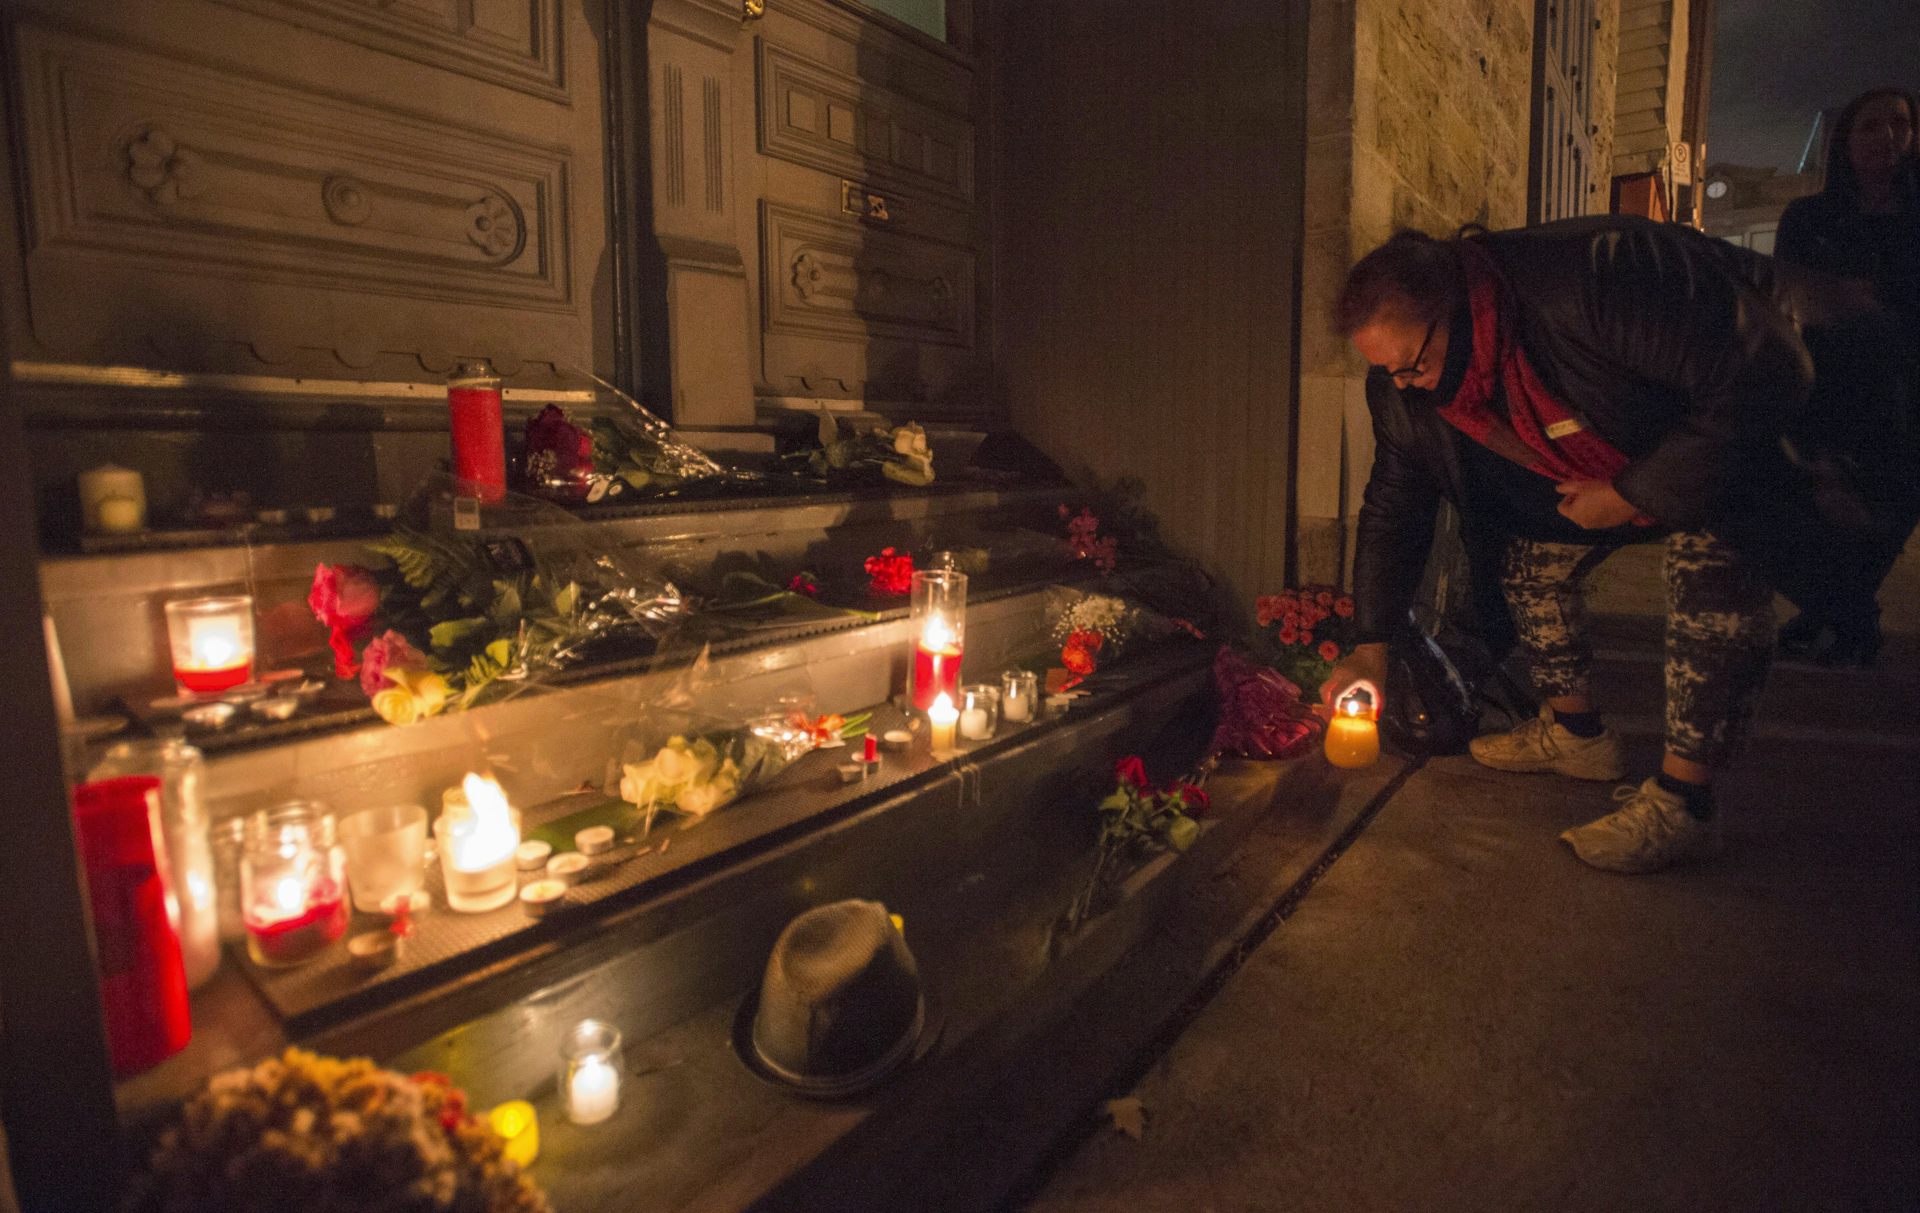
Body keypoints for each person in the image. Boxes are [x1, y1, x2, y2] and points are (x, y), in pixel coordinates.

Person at [1320, 216, 1852, 875]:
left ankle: (1685, 801)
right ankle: (1578, 736)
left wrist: (1633, 492)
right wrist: (1370, 646)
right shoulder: (1405, 390)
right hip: (1602, 477)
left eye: (1413, 365)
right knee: (1530, 563)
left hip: (1738, 458)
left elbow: (1768, 370)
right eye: (1387, 371)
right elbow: (1393, 505)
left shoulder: (1594, 279)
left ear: (1453, 308)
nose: (1404, 384)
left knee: (1706, 564)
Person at [1773, 86, 1920, 666]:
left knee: (1895, 498)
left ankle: (1842, 610)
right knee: (1824, 496)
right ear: (1846, 140)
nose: (1888, 136)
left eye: (1900, 124)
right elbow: (1782, 290)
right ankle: (1841, 609)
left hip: (1905, 377)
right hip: (1830, 374)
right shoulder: (1809, 217)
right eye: (1871, 125)